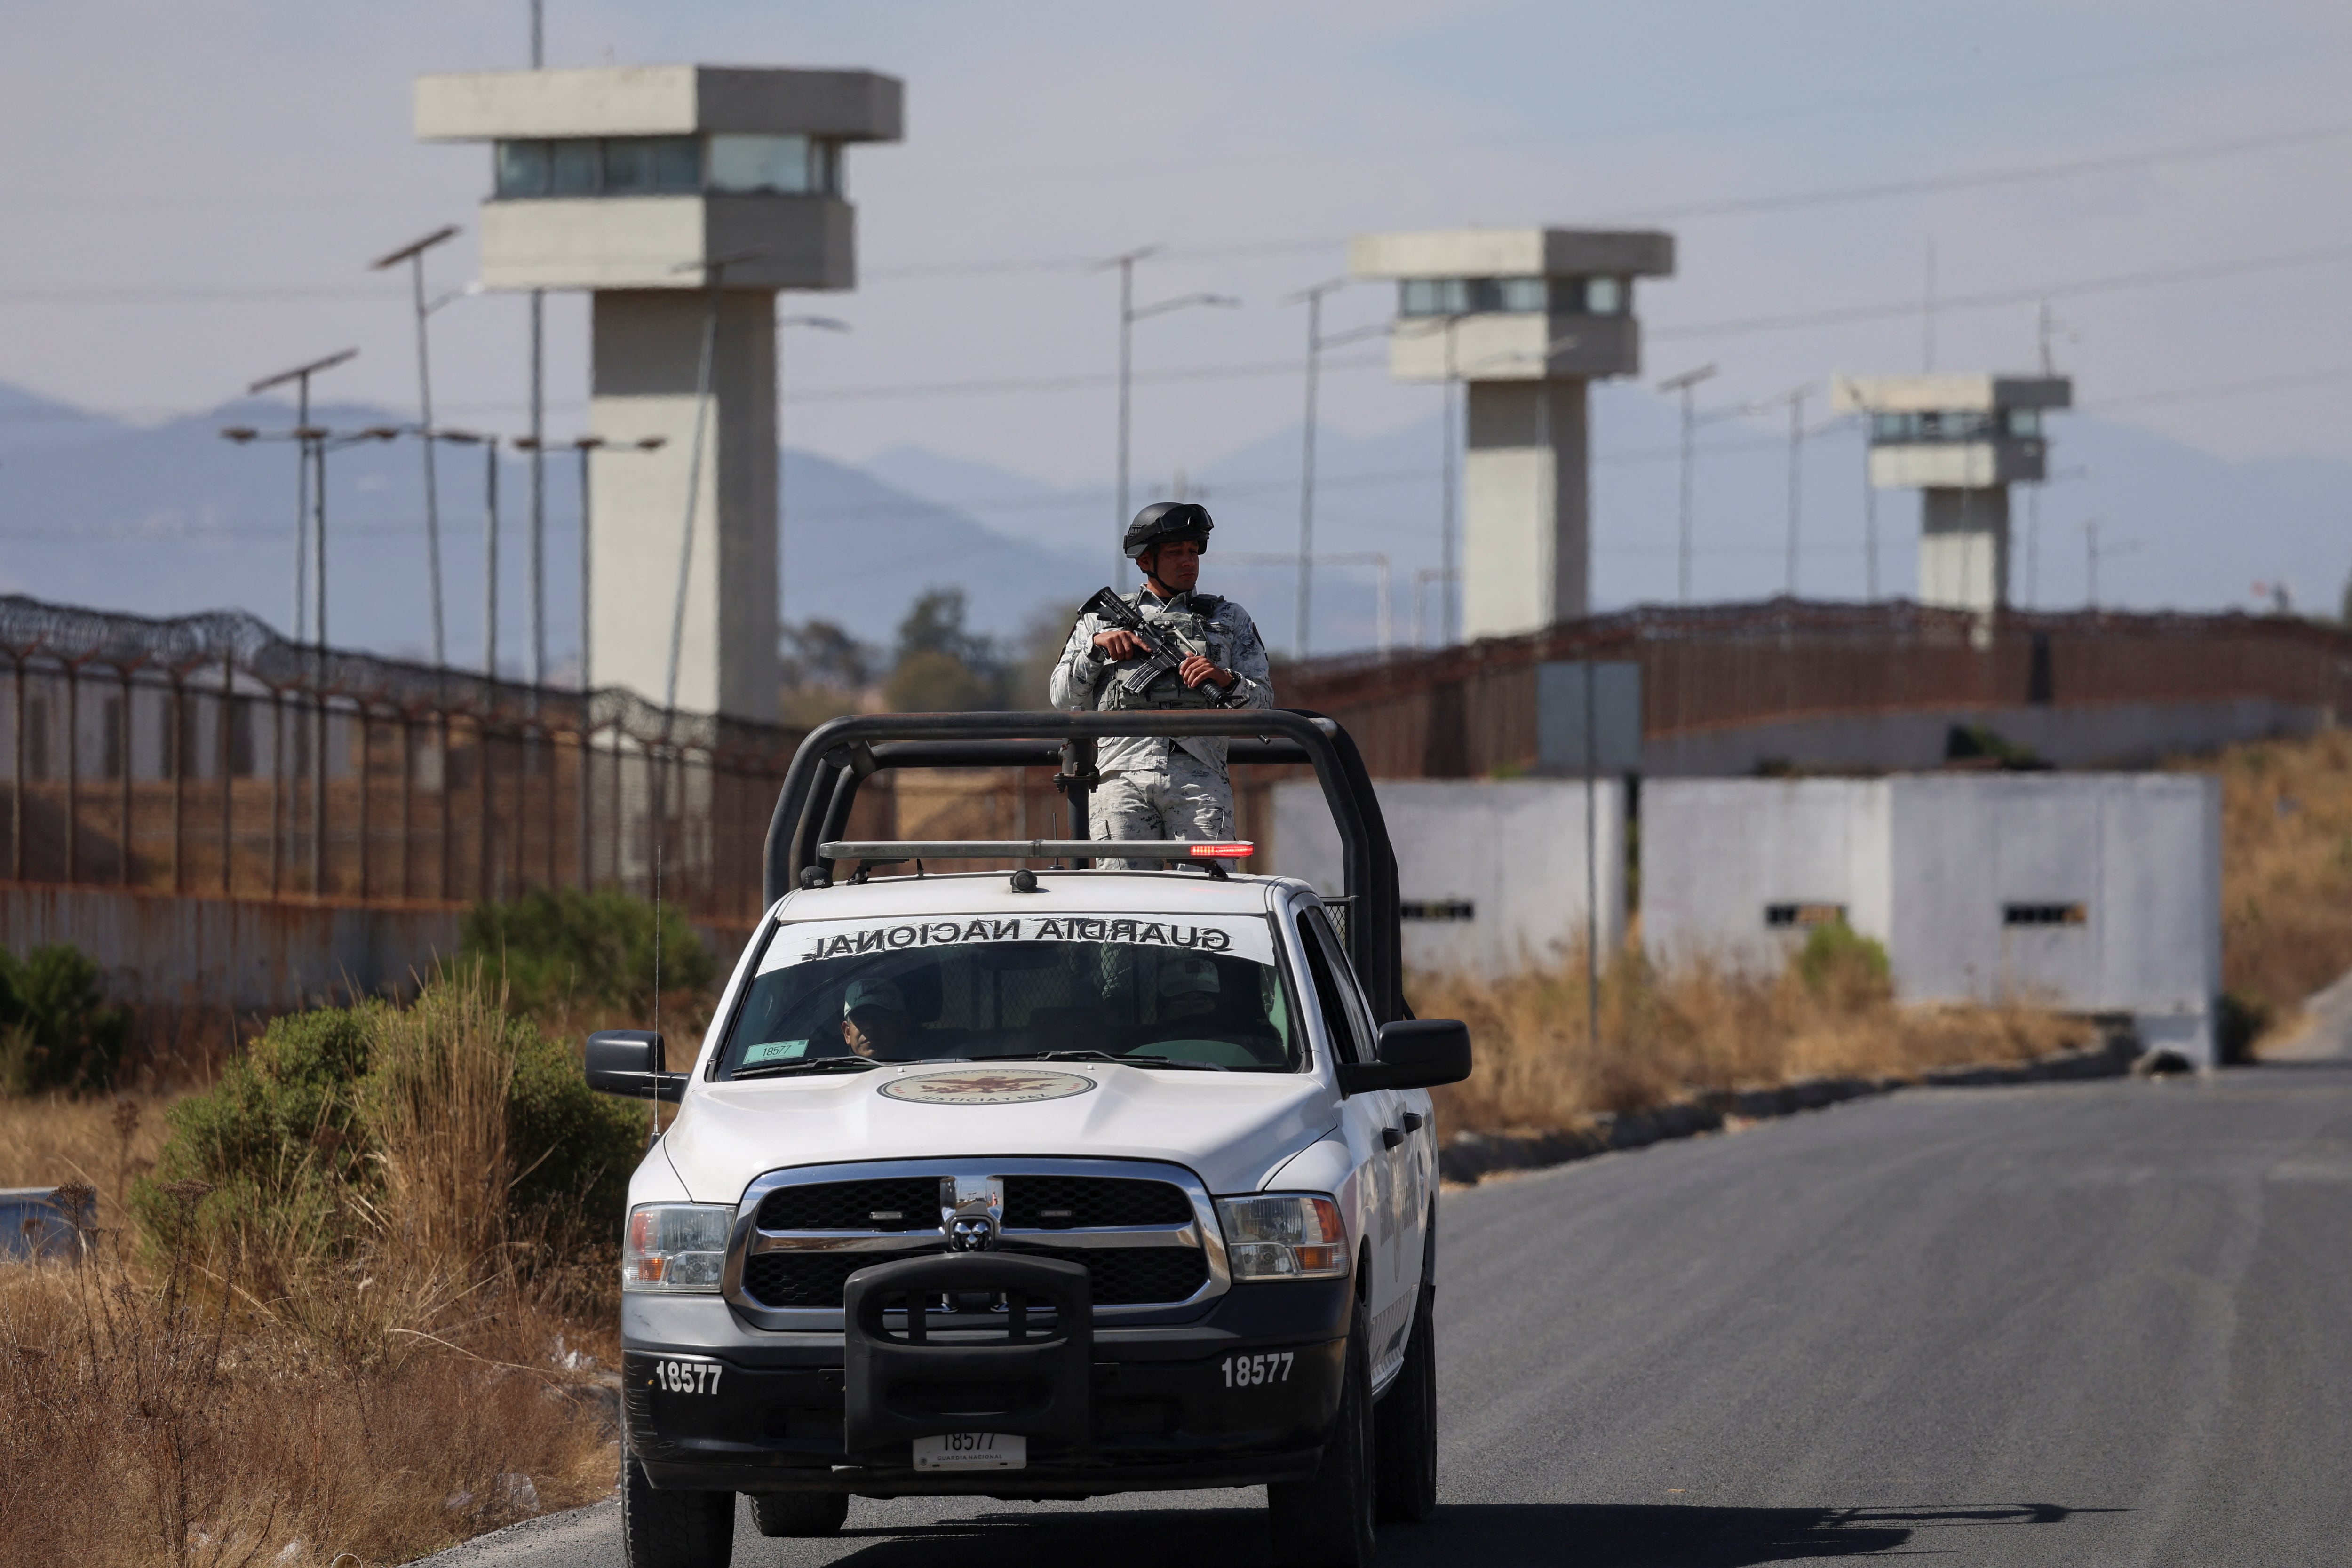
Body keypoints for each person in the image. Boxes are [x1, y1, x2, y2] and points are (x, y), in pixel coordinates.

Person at [1049, 501, 1273, 868]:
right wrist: (1095, 650)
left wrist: (1225, 679)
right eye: (1175, 553)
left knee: (1209, 895)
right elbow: (1062, 697)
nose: (1188, 561)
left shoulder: (1228, 618)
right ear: (1145, 561)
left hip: (1199, 777)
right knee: (1126, 901)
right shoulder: (1101, 620)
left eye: (1193, 551)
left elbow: (1264, 704)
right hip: (1120, 774)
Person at [839, 977, 916, 1060]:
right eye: (861, 1019)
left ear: (903, 1026)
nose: (870, 1027)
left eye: (881, 1017)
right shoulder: (829, 1071)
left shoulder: (928, 1066)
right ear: (847, 1033)